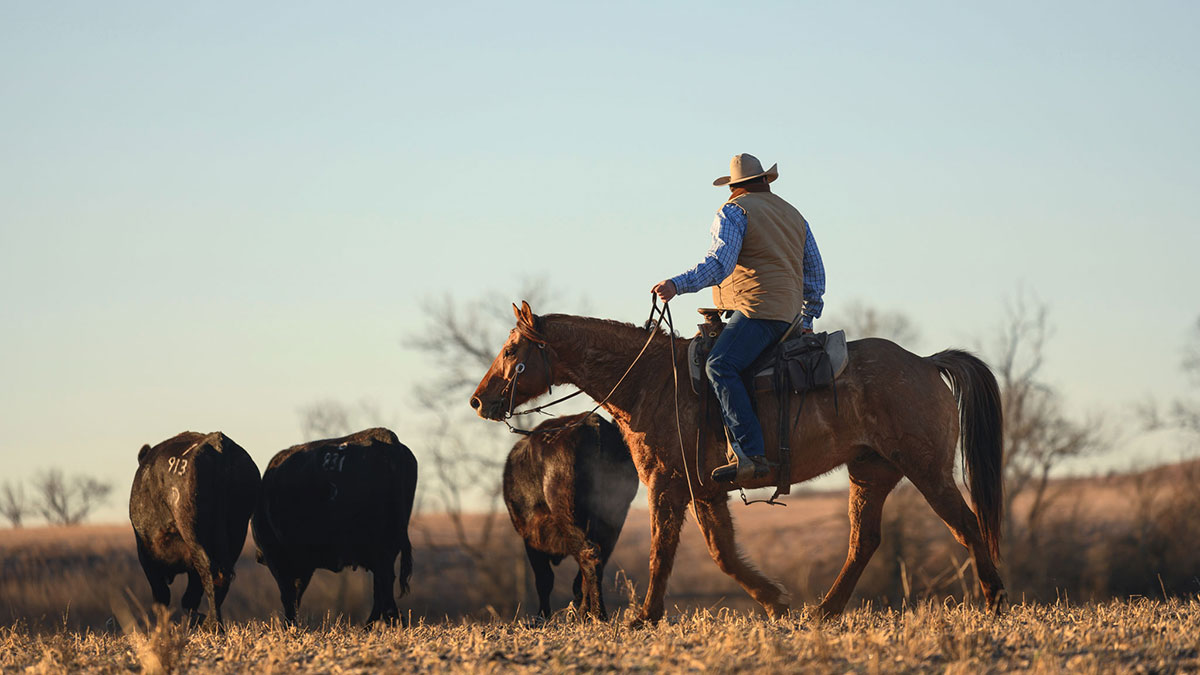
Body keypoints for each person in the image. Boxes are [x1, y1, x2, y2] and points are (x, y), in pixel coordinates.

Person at [652, 153, 825, 482]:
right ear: (764, 181)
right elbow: (815, 272)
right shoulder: (794, 215)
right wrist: (807, 318)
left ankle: (750, 452)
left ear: (734, 187)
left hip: (757, 311)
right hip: (788, 318)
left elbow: (720, 263)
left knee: (719, 365)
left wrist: (677, 285)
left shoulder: (734, 211)